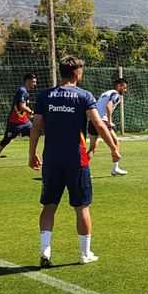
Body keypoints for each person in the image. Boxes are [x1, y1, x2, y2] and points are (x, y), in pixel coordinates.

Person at [29, 56, 120, 266]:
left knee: (49, 205)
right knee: (82, 207)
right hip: (76, 160)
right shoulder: (84, 96)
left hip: (51, 159)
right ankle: (84, 254)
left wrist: (32, 153)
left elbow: (35, 128)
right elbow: (99, 124)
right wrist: (113, 148)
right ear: (78, 73)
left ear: (61, 72)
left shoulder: (45, 96)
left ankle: (46, 250)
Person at [0, 74, 37, 168]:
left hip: (25, 122)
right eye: (34, 81)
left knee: (35, 135)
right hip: (14, 123)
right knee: (5, 141)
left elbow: (23, 108)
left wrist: (29, 115)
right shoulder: (22, 90)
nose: (35, 84)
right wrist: (32, 112)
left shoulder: (26, 91)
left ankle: (34, 158)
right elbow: (22, 107)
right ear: (28, 81)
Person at [88, 77, 128, 175]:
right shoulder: (116, 94)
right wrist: (110, 121)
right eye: (124, 87)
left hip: (93, 121)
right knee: (115, 143)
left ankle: (82, 170)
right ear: (119, 86)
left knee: (93, 148)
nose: (125, 90)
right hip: (103, 122)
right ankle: (115, 169)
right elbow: (108, 106)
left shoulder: (105, 93)